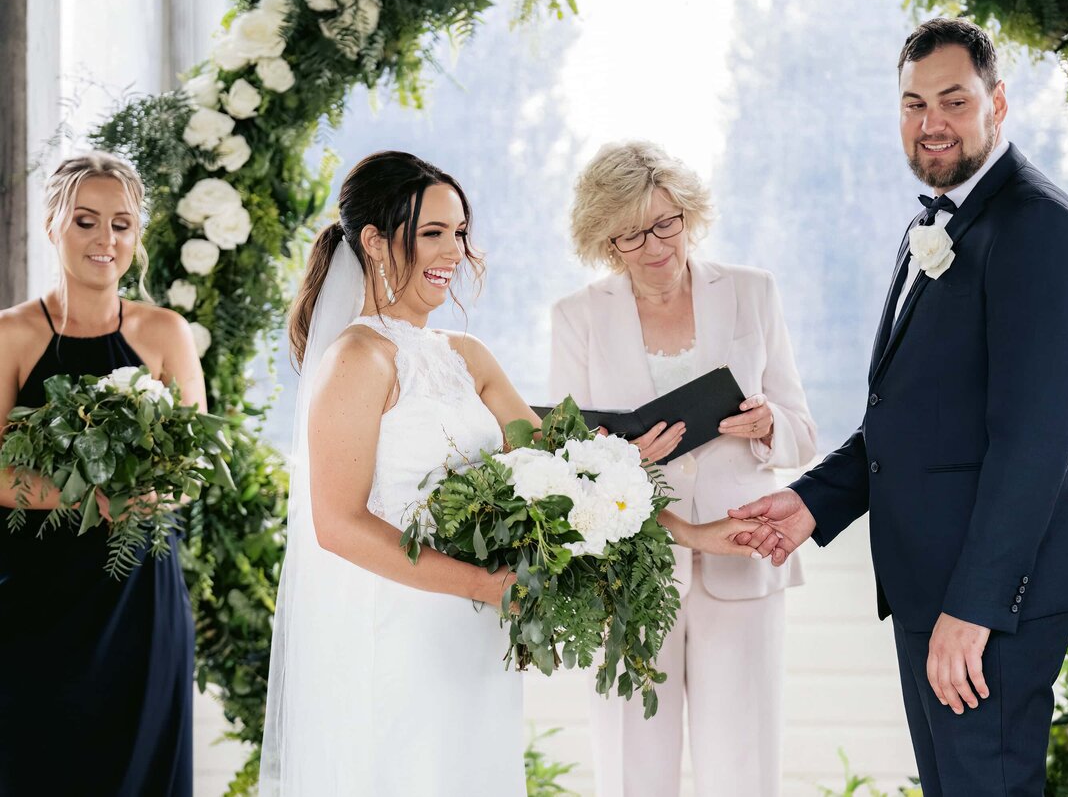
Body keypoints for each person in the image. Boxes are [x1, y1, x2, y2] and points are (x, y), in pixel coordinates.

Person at [260, 150, 753, 796]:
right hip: (402, 628)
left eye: (459, 232)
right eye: (432, 233)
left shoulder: (467, 355)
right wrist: (483, 585)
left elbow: (567, 472)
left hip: (477, 629)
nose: (452, 252)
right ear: (376, 243)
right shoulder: (358, 357)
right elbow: (339, 525)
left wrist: (692, 532)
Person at [731, 18, 1068, 796]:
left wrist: (975, 610)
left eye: (953, 100)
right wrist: (810, 503)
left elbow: (1032, 443)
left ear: (998, 103)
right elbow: (912, 414)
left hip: (991, 597)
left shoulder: (1037, 229)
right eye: (912, 103)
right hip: (929, 588)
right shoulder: (931, 222)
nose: (931, 122)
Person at [551, 140, 819, 797]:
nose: (654, 246)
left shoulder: (754, 293)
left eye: (665, 223)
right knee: (632, 770)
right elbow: (565, 461)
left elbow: (802, 433)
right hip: (630, 574)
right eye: (630, 235)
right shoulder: (576, 318)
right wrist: (621, 459)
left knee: (743, 769)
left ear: (688, 215)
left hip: (744, 557)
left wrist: (767, 427)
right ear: (604, 242)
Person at [0, 151, 204, 797]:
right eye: (86, 221)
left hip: (141, 598)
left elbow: (193, 466)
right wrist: (91, 498)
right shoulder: (11, 336)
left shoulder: (166, 333)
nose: (105, 240)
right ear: (53, 224)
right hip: (33, 603)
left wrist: (145, 495)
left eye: (121, 224)